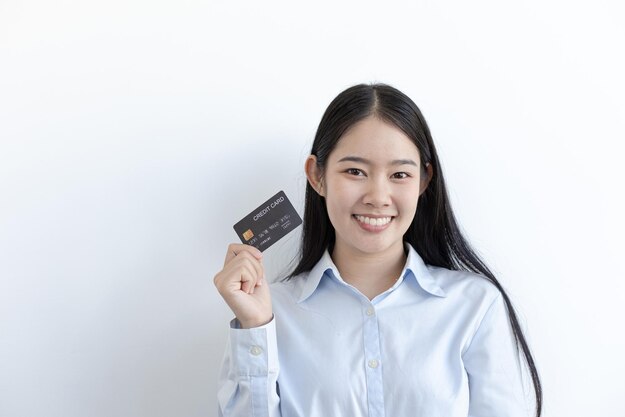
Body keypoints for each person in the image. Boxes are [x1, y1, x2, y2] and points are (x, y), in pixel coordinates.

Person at [213, 83, 542, 417]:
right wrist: (255, 327)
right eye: (355, 171)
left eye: (399, 174)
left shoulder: (474, 306)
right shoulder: (271, 314)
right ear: (317, 176)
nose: (377, 196)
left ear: (423, 182)